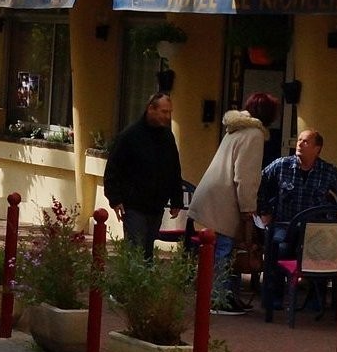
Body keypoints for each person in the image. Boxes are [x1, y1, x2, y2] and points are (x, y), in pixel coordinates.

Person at [188, 91, 279, 312]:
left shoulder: (236, 130)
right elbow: (245, 176)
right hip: (225, 199)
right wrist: (249, 208)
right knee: (224, 250)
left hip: (212, 195)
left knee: (220, 250)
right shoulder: (254, 134)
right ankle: (219, 299)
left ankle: (224, 296)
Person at [256, 129, 337, 311]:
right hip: (285, 225)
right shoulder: (281, 165)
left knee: (324, 249)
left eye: (305, 141)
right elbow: (260, 184)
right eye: (299, 140)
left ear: (317, 148)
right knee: (277, 247)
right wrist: (264, 211)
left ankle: (316, 300)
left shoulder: (329, 171)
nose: (299, 144)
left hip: (315, 230)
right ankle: (274, 298)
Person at [100, 92, 183, 258]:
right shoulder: (129, 136)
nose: (167, 117)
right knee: (135, 250)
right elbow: (112, 169)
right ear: (151, 109)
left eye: (169, 112)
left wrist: (176, 199)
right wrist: (115, 199)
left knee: (147, 251)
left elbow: (173, 169)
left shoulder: (167, 137)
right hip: (134, 205)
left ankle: (145, 275)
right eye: (164, 112)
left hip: (156, 205)